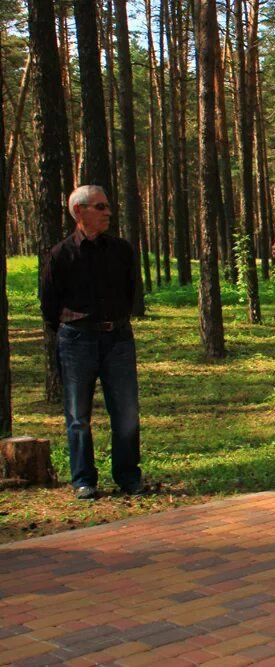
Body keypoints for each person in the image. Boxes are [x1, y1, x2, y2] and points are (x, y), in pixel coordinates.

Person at [40, 185, 146, 500]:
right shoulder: (61, 254)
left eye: (108, 206)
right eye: (100, 207)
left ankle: (128, 477)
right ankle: (84, 480)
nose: (107, 213)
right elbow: (49, 303)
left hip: (118, 338)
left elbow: (130, 292)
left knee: (126, 411)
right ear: (79, 211)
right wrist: (71, 329)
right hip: (77, 340)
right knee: (78, 415)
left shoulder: (121, 250)